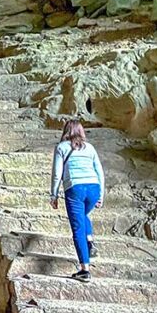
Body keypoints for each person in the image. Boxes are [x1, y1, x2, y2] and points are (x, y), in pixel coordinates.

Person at [49, 119, 104, 282]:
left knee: (78, 227)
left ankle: (85, 270)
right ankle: (90, 240)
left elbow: (57, 174)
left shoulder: (62, 147)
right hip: (93, 187)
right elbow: (99, 171)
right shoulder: (90, 148)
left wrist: (54, 194)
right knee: (83, 215)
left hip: (75, 188)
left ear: (66, 131)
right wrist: (101, 195)